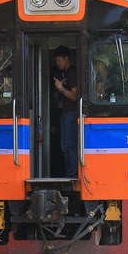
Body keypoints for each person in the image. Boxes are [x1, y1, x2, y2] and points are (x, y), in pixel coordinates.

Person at [53, 46, 78, 178]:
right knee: (65, 146)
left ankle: (72, 174)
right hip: (65, 113)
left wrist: (61, 89)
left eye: (58, 60)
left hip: (71, 113)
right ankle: (69, 173)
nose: (57, 63)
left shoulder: (72, 73)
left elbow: (75, 96)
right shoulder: (66, 74)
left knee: (70, 145)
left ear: (66, 58)